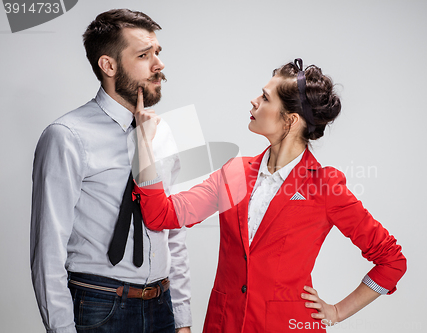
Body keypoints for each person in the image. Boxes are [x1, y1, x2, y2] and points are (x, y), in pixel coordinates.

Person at [133, 59, 407, 332]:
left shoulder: (325, 186)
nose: (253, 101)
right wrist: (145, 146)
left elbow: (392, 261)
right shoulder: (233, 173)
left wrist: (337, 311)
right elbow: (162, 216)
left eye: (265, 98)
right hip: (224, 324)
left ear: (290, 120)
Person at [30, 9, 192, 333]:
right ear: (109, 65)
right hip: (98, 306)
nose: (159, 65)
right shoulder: (66, 135)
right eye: (144, 55)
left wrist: (183, 319)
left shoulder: (168, 133)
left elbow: (175, 233)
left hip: (162, 306)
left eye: (157, 53)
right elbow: (47, 251)